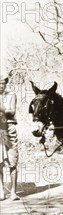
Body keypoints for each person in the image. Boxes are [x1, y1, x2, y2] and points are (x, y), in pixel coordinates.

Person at [0, 71, 19, 201]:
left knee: (13, 160)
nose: (1, 86)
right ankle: (1, 190)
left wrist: (1, 108)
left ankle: (13, 191)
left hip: (9, 127)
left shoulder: (11, 95)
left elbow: (11, 111)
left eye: (3, 84)